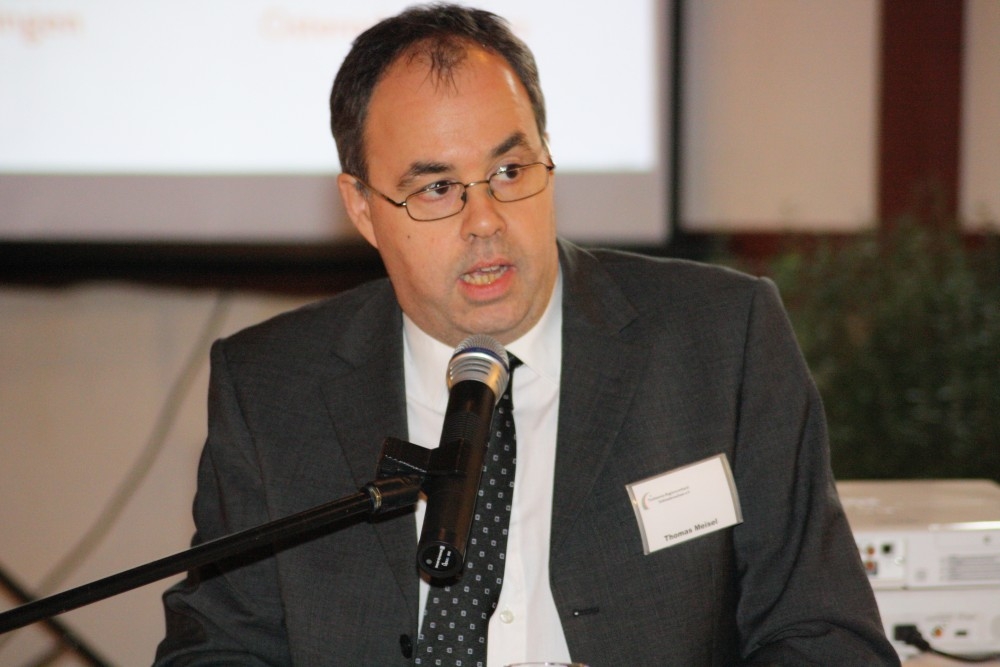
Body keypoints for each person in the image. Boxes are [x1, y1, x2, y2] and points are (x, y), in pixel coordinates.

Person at [155, 4, 899, 665]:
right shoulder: (271, 389)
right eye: (437, 188)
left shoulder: (721, 340)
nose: (485, 221)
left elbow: (828, 638)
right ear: (362, 207)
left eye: (510, 170)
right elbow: (216, 649)